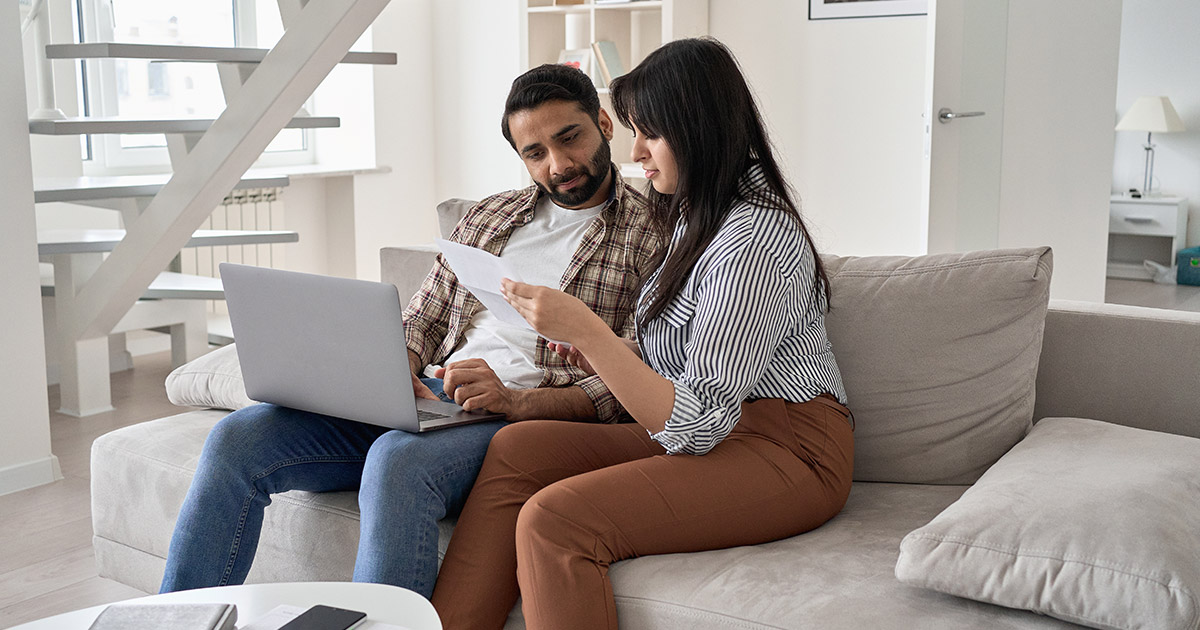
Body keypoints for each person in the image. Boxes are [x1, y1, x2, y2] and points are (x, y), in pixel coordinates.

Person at [159, 63, 660, 599]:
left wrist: (513, 401)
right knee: (237, 439)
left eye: (570, 138)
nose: (558, 165)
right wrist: (391, 364)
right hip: (427, 398)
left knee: (396, 461)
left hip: (517, 419)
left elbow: (629, 381)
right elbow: (421, 319)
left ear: (605, 125)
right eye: (535, 153)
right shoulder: (490, 216)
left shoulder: (654, 233)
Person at [429, 38, 854, 630]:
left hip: (787, 448)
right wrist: (583, 344)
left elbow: (699, 424)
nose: (635, 152)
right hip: (724, 429)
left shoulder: (754, 238)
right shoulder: (696, 217)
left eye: (648, 134)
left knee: (555, 520)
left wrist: (589, 333)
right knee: (517, 448)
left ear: (696, 129)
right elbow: (680, 358)